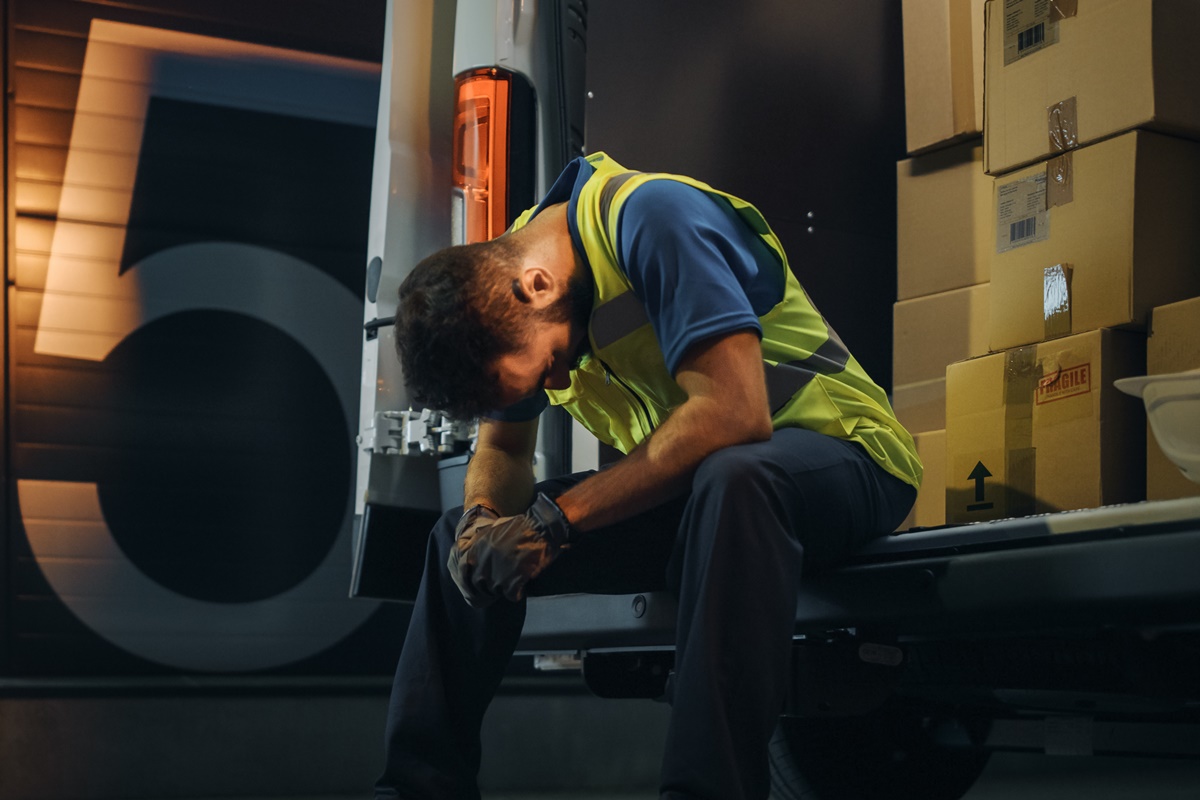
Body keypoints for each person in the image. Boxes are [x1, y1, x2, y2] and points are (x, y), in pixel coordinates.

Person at [375, 151, 921, 800]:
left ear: (538, 286)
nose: (555, 382)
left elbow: (733, 413)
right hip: (701, 499)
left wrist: (555, 522)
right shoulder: (506, 280)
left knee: (737, 477)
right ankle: (415, 790)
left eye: (547, 366)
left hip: (841, 458)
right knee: (451, 542)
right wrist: (483, 522)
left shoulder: (654, 219)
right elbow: (506, 452)